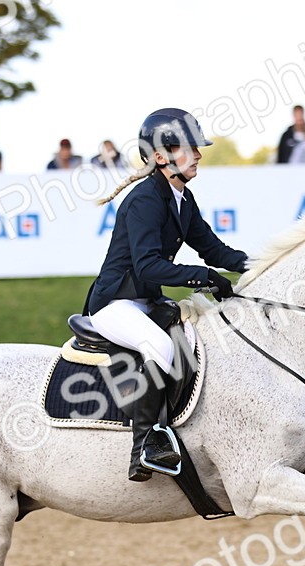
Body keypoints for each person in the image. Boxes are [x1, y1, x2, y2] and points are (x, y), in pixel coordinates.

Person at [86, 108, 248, 481]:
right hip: (114, 304)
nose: (199, 155)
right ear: (161, 157)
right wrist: (204, 278)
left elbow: (214, 250)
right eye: (190, 149)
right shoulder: (145, 199)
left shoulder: (182, 198)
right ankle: (145, 446)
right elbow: (148, 267)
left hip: (146, 302)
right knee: (160, 346)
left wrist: (260, 265)